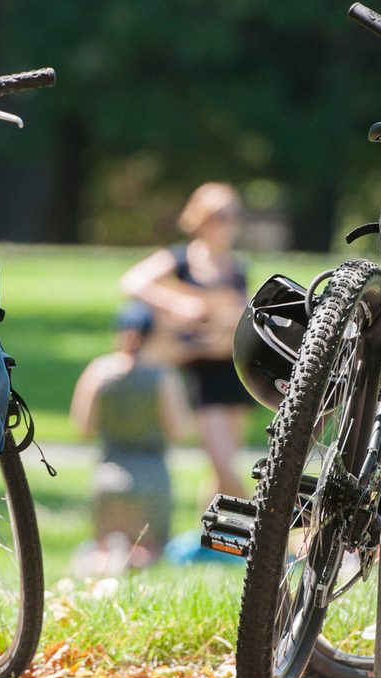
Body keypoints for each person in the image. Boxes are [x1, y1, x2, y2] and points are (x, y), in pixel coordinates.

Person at [120, 182, 254, 509]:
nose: (226, 224)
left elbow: (238, 314)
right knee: (222, 464)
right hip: (200, 373)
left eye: (232, 216)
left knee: (221, 468)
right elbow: (133, 282)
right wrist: (176, 303)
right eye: (218, 216)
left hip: (233, 370)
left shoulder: (237, 268)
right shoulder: (180, 258)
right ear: (201, 219)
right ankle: (265, 522)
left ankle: (208, 531)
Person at [69, 303, 189, 576]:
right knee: (147, 552)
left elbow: (83, 426)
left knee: (102, 551)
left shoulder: (99, 371)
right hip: (152, 474)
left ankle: (102, 585)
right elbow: (178, 430)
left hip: (108, 472)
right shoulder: (162, 375)